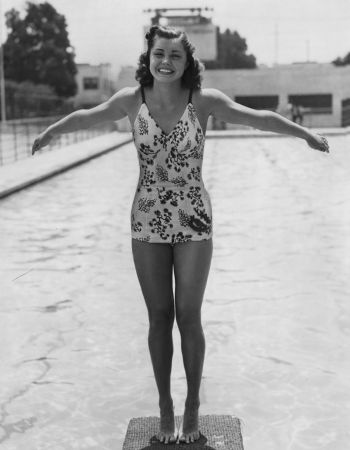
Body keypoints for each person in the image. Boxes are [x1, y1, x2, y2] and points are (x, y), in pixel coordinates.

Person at [32, 25, 330, 445]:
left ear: (187, 62)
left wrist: (304, 134)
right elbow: (88, 116)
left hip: (193, 221)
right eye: (159, 54)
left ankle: (192, 405)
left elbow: (257, 118)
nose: (166, 62)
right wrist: (49, 133)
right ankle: (164, 406)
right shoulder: (132, 100)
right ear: (149, 58)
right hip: (146, 220)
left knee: (188, 316)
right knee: (159, 318)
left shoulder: (202, 101)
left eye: (175, 55)